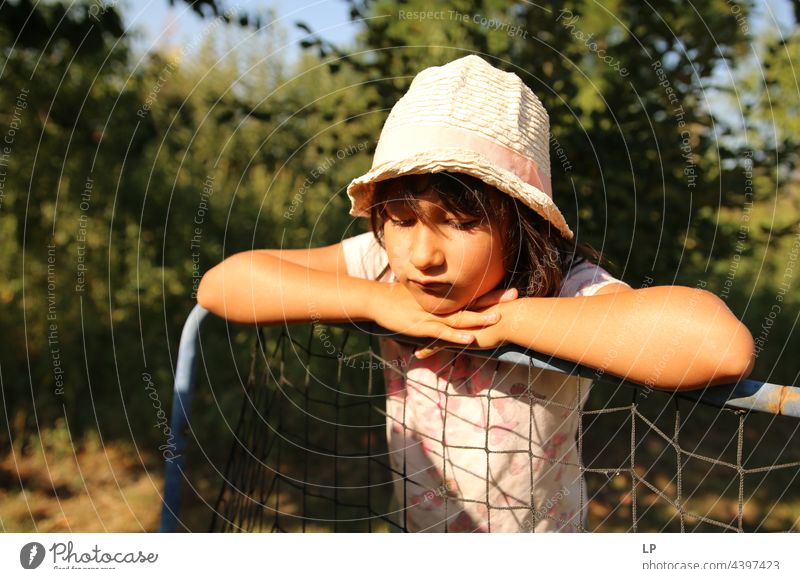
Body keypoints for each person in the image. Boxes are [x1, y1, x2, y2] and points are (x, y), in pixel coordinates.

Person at [197, 55, 755, 532]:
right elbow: (223, 286)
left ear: (522, 222)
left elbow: (718, 347)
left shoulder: (564, 287)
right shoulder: (385, 271)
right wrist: (374, 301)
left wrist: (515, 324)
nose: (423, 255)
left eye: (462, 223)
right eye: (399, 219)